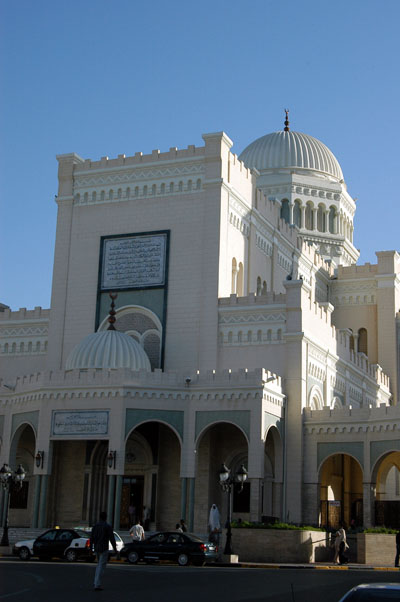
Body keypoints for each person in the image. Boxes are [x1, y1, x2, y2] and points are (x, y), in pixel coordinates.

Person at [91, 511, 117, 591]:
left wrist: (91, 548)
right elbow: (112, 538)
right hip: (104, 548)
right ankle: (97, 584)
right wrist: (115, 548)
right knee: (101, 566)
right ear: (106, 517)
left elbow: (92, 537)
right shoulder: (107, 526)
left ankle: (96, 582)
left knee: (99, 565)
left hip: (97, 547)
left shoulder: (95, 526)